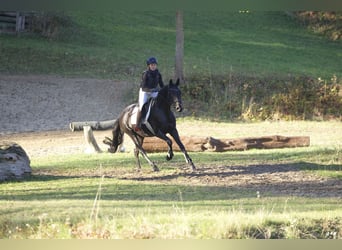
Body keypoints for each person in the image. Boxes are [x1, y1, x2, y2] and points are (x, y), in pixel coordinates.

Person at [135, 57, 164, 131]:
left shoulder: (158, 74)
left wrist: (164, 90)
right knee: (142, 106)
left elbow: (161, 85)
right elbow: (143, 87)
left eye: (154, 65)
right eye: (152, 65)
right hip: (144, 92)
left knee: (160, 103)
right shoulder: (145, 74)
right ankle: (137, 125)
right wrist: (151, 90)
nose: (153, 66)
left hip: (154, 92)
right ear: (149, 66)